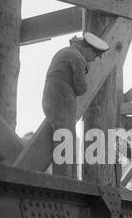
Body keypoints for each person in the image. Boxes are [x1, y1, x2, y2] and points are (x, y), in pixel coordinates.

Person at [42, 32, 109, 178]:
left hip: (52, 98)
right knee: (66, 139)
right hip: (61, 99)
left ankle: (66, 177)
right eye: (95, 56)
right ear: (89, 51)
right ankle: (64, 180)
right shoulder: (78, 58)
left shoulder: (65, 52)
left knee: (62, 137)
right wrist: (85, 70)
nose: (92, 60)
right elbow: (81, 88)